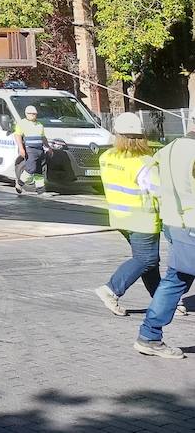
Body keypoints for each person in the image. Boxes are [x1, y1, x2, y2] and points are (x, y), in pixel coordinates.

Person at [134, 117, 195, 359]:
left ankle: (149, 335)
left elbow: (144, 180)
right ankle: (149, 335)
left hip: (174, 223)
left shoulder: (169, 149)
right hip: (191, 224)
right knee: (175, 281)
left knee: (176, 280)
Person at [94, 112, 161, 315]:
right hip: (143, 219)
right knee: (146, 260)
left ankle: (163, 301)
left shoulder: (106, 157)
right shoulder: (144, 162)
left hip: (119, 217)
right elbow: (159, 191)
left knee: (147, 260)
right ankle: (111, 290)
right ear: (142, 136)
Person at [14, 103, 49, 195]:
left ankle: (40, 190)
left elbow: (43, 137)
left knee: (38, 171)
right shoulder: (22, 123)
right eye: (32, 114)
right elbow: (17, 136)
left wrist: (48, 147)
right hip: (30, 149)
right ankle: (19, 183)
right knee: (31, 169)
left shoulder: (39, 124)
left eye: (35, 114)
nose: (34, 115)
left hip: (39, 150)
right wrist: (21, 149)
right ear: (27, 114)